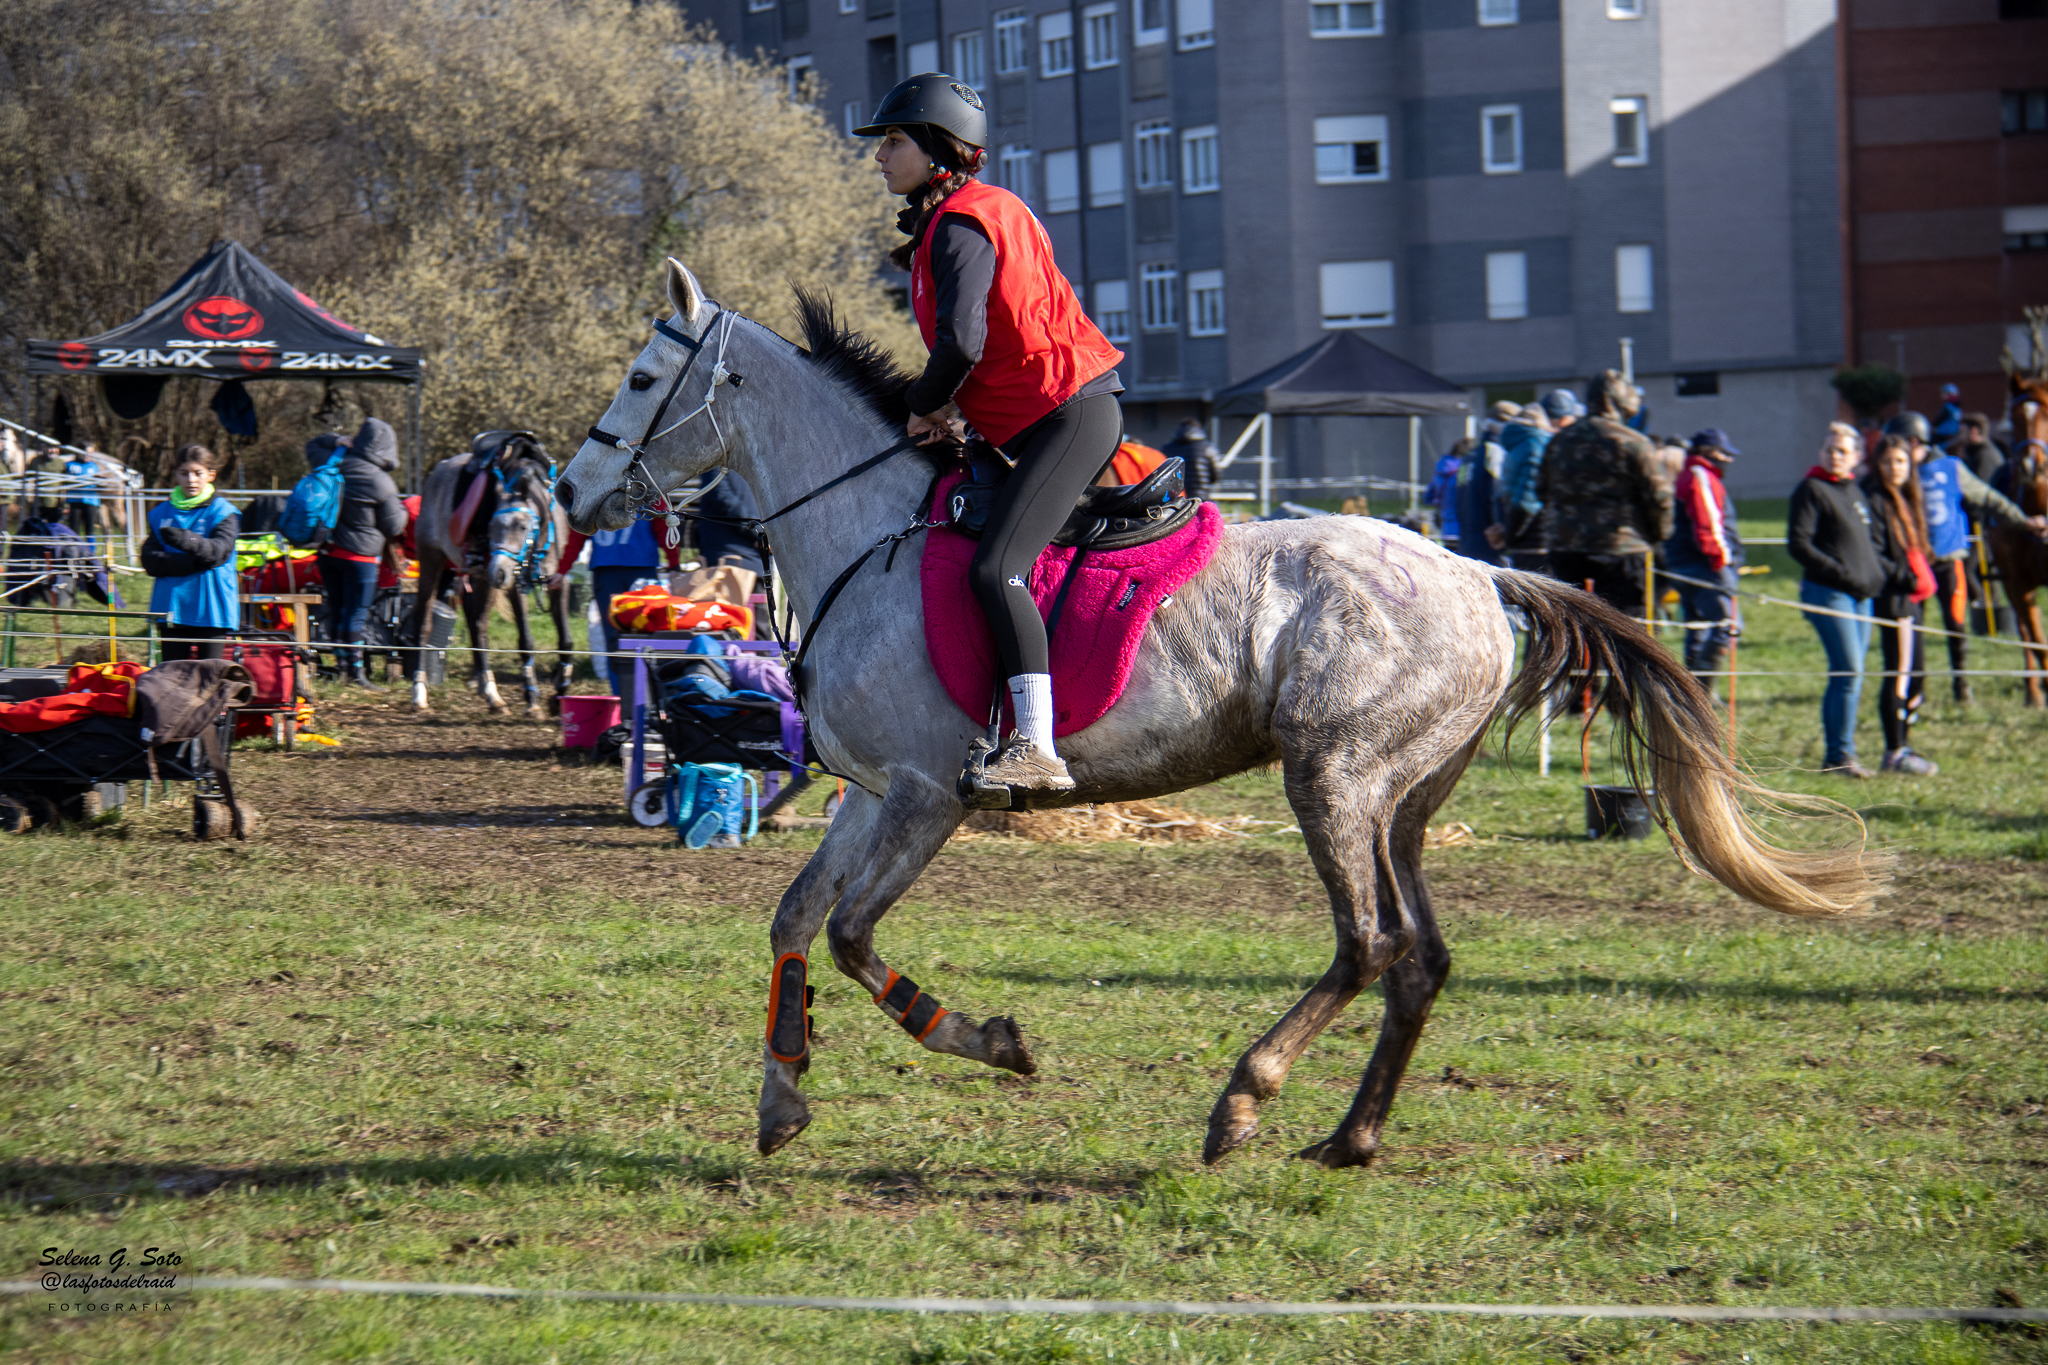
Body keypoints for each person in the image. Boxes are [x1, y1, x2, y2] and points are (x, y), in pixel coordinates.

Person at [858, 72, 1124, 801]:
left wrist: (923, 403)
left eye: (893, 141)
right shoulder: (964, 216)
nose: (880, 156)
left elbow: (964, 342)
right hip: (1031, 423)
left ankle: (1037, 746)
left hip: (1071, 416)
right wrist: (951, 409)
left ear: (937, 149)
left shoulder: (963, 223)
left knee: (996, 570)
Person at [1912, 412, 2043, 701]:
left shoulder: (1954, 466)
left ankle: (1961, 684)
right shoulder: (1899, 470)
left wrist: (2023, 520)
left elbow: (1987, 496)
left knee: (1955, 623)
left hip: (1950, 557)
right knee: (1915, 629)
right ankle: (1916, 688)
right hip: (1917, 563)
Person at [1788, 423, 1894, 779]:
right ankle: (1839, 756)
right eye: (1830, 449)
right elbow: (1799, 544)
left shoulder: (1855, 491)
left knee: (1851, 675)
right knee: (1850, 670)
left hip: (1862, 596)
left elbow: (1869, 545)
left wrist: (1877, 574)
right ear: (1821, 453)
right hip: (1829, 592)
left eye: (1842, 450)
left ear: (1857, 456)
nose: (1835, 455)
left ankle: (1839, 753)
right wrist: (1841, 573)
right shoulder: (1812, 489)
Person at [1536, 371, 1671, 618]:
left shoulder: (1560, 442)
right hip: (1622, 550)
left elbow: (1541, 490)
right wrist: (1657, 535)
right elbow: (1659, 497)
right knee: (1628, 630)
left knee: (1572, 629)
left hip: (1566, 547)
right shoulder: (1633, 442)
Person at [1863, 435, 1940, 774]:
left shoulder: (1908, 499)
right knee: (1901, 673)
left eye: (1900, 461)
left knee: (1918, 675)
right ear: (1878, 466)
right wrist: (1909, 578)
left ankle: (1904, 743)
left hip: (1913, 599)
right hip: (1895, 599)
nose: (1894, 468)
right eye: (1887, 462)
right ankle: (1895, 752)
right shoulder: (1876, 500)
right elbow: (1876, 555)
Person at [321, 417, 409, 689]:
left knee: (336, 611)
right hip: (361, 559)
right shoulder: (380, 481)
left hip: (327, 553)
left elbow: (312, 444)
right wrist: (404, 510)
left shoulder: (331, 463)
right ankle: (356, 674)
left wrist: (336, 441)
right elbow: (393, 525)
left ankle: (341, 666)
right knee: (356, 614)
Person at [1665, 428, 1745, 692]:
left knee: (1698, 630)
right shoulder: (1701, 475)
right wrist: (1724, 562)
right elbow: (1708, 524)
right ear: (1706, 453)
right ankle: (1700, 695)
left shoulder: (1688, 474)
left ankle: (1689, 695)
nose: (1728, 459)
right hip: (1703, 566)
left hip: (1681, 565)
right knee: (1728, 626)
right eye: (1723, 453)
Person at [142, 448, 240, 662]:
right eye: (184, 473)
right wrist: (195, 562)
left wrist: (187, 540)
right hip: (171, 605)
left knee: (211, 677)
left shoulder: (223, 512)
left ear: (211, 475)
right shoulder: (161, 513)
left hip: (211, 606)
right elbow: (149, 560)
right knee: (172, 676)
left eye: (198, 473)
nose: (191, 479)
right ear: (175, 475)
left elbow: (219, 552)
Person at [1496, 391, 1581, 573]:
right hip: (1536, 539)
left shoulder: (1524, 438)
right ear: (1564, 420)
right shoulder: (1540, 443)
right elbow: (1528, 499)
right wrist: (1512, 536)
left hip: (1522, 538)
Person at [1163, 418, 1220, 501]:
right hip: (1200, 496)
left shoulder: (1167, 448)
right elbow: (1216, 474)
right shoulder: (1207, 447)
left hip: (1175, 498)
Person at [1425, 439, 1468, 545]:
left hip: (1445, 524)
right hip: (1463, 527)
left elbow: (1428, 496)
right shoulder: (1463, 470)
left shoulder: (1441, 468)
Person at [62, 443, 103, 546]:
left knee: (90, 528)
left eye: (90, 453)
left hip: (91, 500)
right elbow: (64, 482)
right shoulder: (70, 465)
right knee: (74, 528)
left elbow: (98, 484)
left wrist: (101, 482)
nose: (87, 455)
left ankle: (90, 553)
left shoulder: (94, 466)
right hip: (75, 500)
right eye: (84, 453)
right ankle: (75, 552)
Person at [1950, 412, 2005, 484]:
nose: (1960, 437)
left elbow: (1981, 487)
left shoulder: (1986, 456)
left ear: (1974, 431)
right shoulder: (1974, 452)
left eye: (1962, 432)